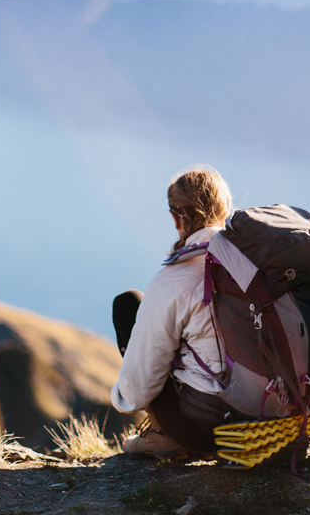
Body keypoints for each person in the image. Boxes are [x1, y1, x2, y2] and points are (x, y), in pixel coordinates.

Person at [112, 166, 233, 459]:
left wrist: (122, 397)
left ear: (176, 216)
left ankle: (168, 439)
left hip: (206, 431)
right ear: (225, 208)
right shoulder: (253, 260)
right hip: (271, 412)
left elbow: (137, 392)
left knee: (128, 304)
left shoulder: (173, 280)